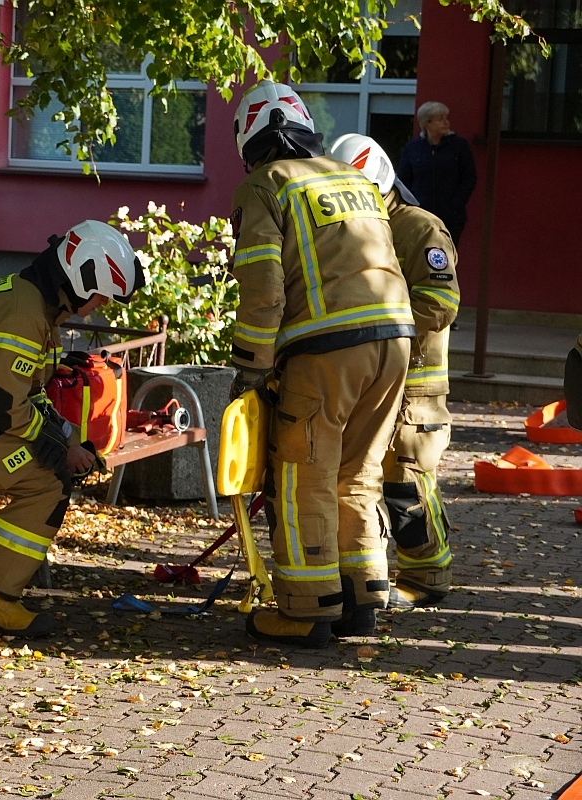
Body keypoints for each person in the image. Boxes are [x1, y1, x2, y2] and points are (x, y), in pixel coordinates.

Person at [229, 81, 416, 648]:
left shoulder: (266, 185)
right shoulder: (355, 180)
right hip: (395, 341)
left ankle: (306, 610)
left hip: (326, 348)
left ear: (252, 138)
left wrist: (252, 367)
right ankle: (361, 599)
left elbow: (262, 288)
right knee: (355, 473)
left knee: (302, 473)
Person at [0, 220, 145, 636]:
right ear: (83, 277)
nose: (99, 305)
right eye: (100, 295)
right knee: (47, 484)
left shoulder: (36, 306)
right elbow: (6, 407)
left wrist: (69, 437)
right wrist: (59, 448)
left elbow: (32, 394)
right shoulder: (26, 312)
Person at [331, 133, 460, 609]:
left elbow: (441, 301)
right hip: (372, 378)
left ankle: (428, 577)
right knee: (365, 481)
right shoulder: (358, 224)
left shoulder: (420, 229)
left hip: (416, 386)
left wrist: (383, 326)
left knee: (406, 483)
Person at [396, 101, 477, 246]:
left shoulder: (459, 146)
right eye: (440, 119)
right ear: (427, 124)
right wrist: (411, 207)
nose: (446, 122)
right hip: (420, 214)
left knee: (446, 256)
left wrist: (456, 204)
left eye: (446, 118)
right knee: (420, 255)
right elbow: (403, 181)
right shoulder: (413, 148)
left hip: (451, 216)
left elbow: (469, 178)